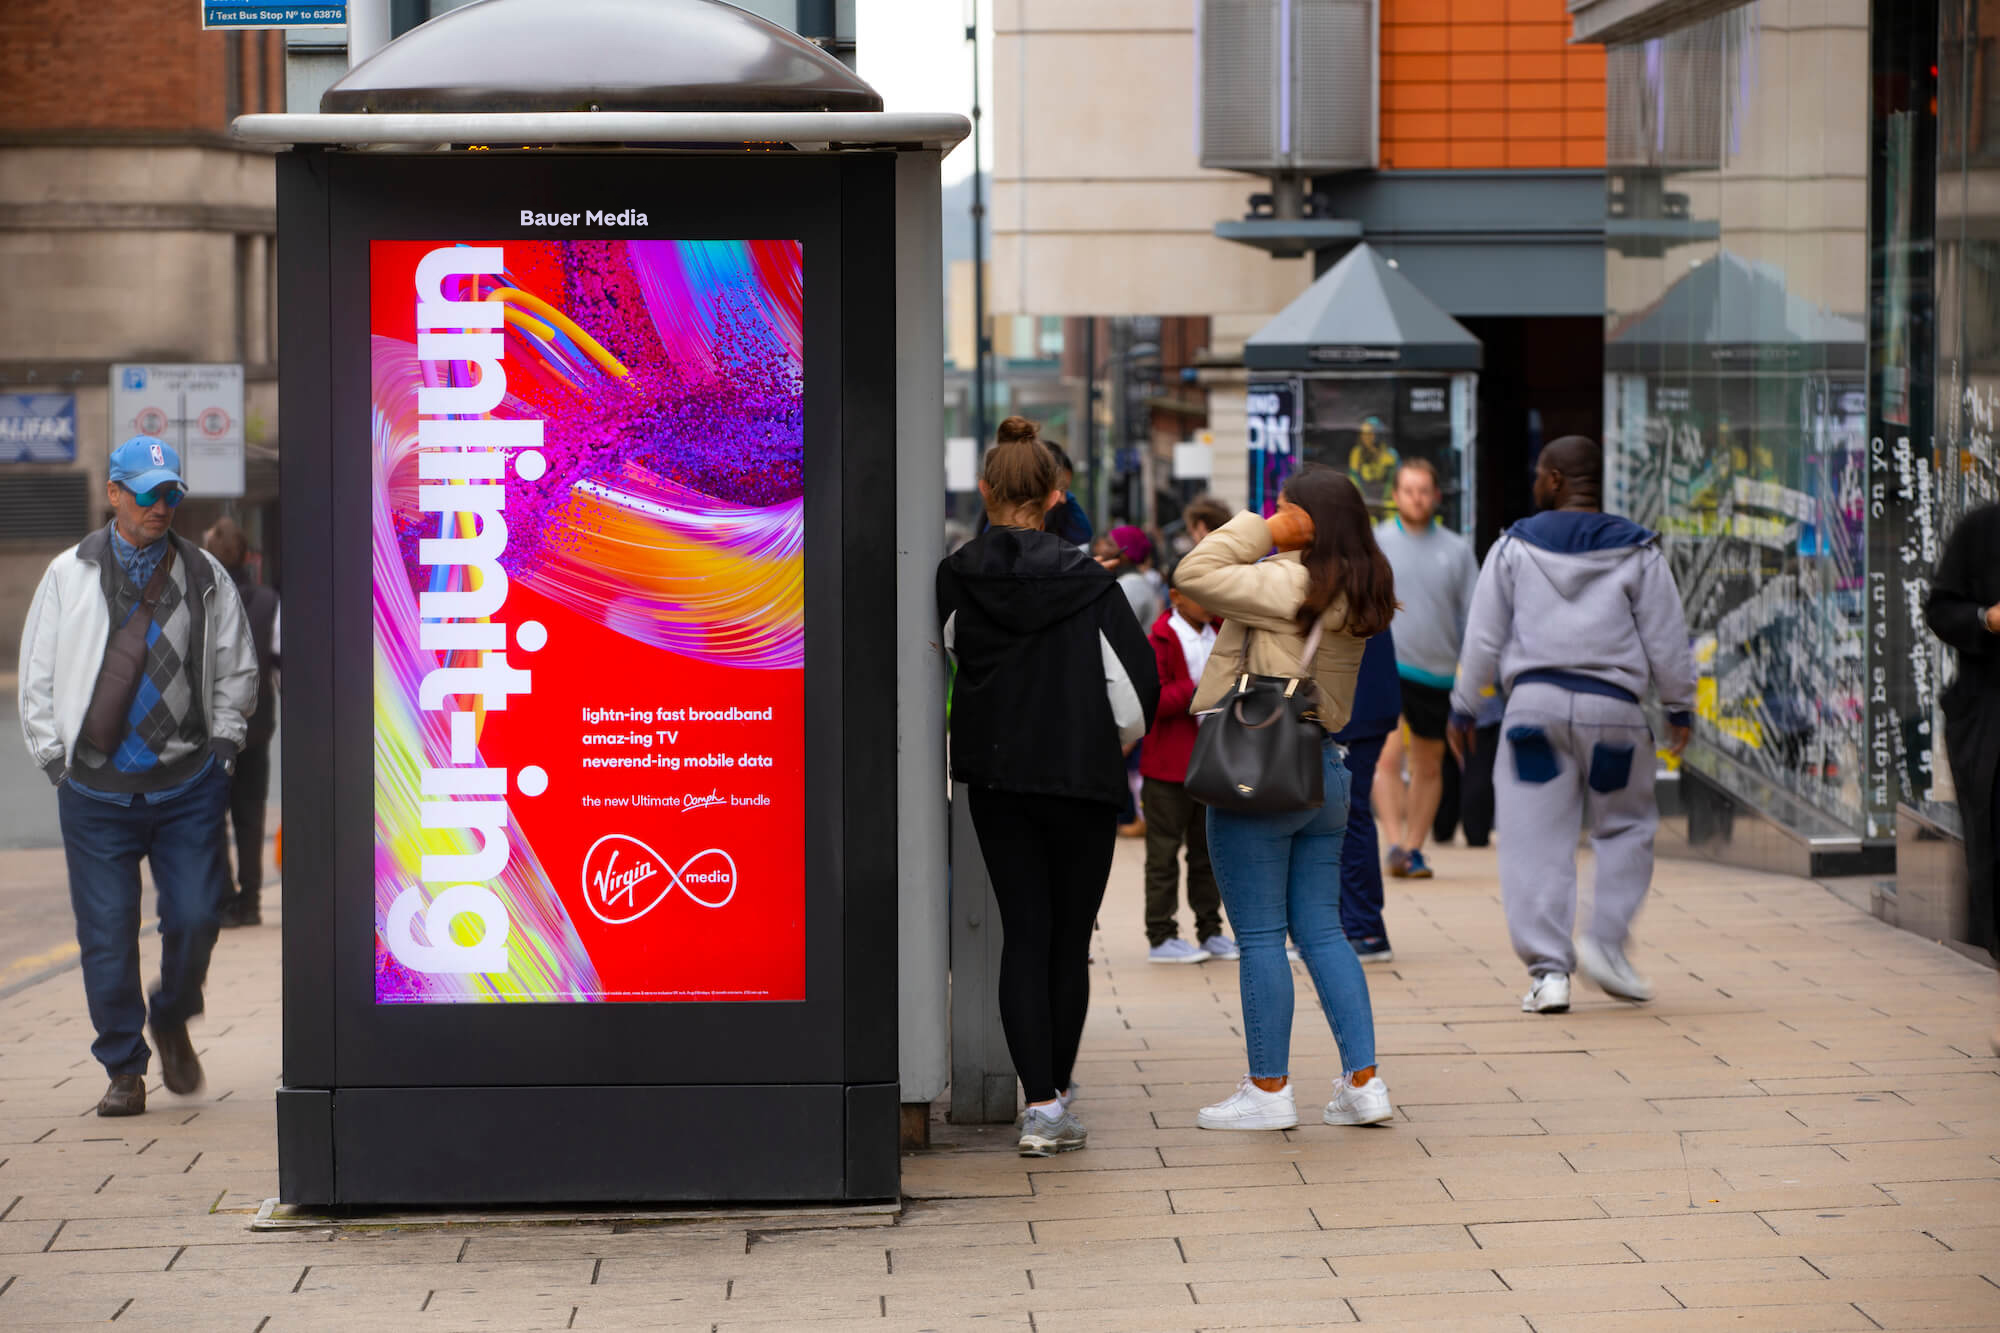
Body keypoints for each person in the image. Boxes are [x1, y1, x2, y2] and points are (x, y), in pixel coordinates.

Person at [17, 437, 258, 1116]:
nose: (161, 504)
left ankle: (173, 1011)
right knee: (105, 933)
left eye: (171, 492)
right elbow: (36, 672)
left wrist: (225, 749)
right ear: (114, 494)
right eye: (147, 492)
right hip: (95, 791)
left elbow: (237, 666)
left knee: (197, 914)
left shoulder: (206, 573)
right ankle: (124, 1066)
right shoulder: (69, 574)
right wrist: (56, 762)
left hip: (187, 785)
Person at [938, 417, 1160, 1157]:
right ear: (1056, 497)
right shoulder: (1092, 584)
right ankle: (1056, 1096)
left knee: (1022, 936)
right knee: (1069, 943)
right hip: (1081, 779)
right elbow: (1135, 696)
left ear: (985, 489)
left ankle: (1036, 1103)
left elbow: (946, 656)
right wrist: (1099, 738)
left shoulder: (956, 576)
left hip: (998, 781)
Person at [1176, 463, 1399, 1132]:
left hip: (1262, 773)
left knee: (1263, 937)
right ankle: (1364, 1083)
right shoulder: (1361, 589)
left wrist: (1261, 527)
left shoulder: (1288, 581)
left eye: (1286, 511)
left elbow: (1193, 571)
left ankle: (1268, 1087)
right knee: (1324, 930)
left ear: (1306, 521)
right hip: (1326, 769)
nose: (1276, 517)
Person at [1448, 436, 1695, 1015]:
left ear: (1556, 479)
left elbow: (1483, 638)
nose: (1536, 481)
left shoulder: (1512, 548)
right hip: (1616, 714)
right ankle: (1606, 942)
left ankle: (1549, 974)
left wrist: (1464, 706)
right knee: (1626, 827)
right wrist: (1678, 706)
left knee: (1535, 839)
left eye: (1540, 473)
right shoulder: (1640, 552)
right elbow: (1667, 640)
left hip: (1533, 712)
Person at [1373, 458, 1479, 881]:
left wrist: (1471, 669)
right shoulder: (1376, 542)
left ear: (1435, 496)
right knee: (1387, 757)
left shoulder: (1456, 549)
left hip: (1437, 674)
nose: (1416, 497)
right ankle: (1395, 843)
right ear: (1395, 496)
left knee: (1429, 765)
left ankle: (1415, 847)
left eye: (1424, 490)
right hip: (1387, 665)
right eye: (1408, 490)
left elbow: (1473, 615)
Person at [1923, 503, 2000, 1055]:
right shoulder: (1982, 529)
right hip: (1990, 717)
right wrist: (1987, 620)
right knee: (1996, 858)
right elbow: (1941, 610)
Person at [1138, 582, 1236, 964]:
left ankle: (1210, 930)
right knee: (1162, 855)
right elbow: (1154, 700)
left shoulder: (1223, 630)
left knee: (1208, 853)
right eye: (1199, 593)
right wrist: (1199, 689)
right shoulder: (1159, 639)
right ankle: (1161, 935)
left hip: (1214, 760)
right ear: (1175, 596)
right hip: (1167, 766)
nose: (1209, 601)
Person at [203, 518, 279, 929]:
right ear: (249, 557)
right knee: (251, 815)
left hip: (211, 727)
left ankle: (224, 899)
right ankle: (250, 902)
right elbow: (283, 660)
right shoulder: (268, 601)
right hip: (257, 726)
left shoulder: (199, 599)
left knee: (210, 815)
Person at [1333, 627, 1401, 964]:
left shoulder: (1345, 576)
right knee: (1348, 814)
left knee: (1348, 816)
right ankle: (1356, 927)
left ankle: (1363, 929)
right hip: (1365, 703)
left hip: (1353, 708)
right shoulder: (1369, 574)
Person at [1433, 688, 1504, 849]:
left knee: (1448, 765)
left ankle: (1443, 829)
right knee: (1478, 767)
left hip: (1446, 695)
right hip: (1482, 705)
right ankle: (1476, 834)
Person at [1346, 415, 1399, 520]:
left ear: (1378, 435)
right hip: (1364, 503)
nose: (1365, 437)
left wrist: (1384, 502)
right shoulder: (1356, 453)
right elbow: (1353, 479)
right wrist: (1363, 501)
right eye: (1363, 434)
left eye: (1370, 433)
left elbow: (1394, 481)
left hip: (1387, 502)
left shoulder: (1391, 455)